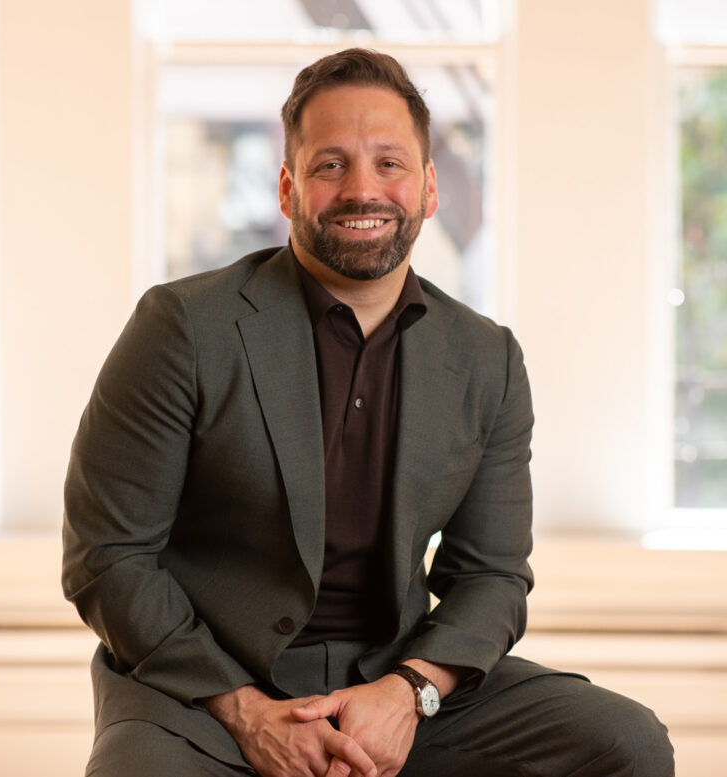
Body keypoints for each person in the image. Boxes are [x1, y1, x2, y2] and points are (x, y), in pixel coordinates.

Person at [62, 48, 674, 777]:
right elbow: (108, 555)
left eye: (389, 163)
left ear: (428, 187)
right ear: (288, 188)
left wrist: (408, 691)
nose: (363, 190)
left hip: (392, 681)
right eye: (330, 165)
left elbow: (493, 576)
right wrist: (247, 710)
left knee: (626, 744)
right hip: (202, 695)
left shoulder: (488, 359)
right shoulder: (183, 327)